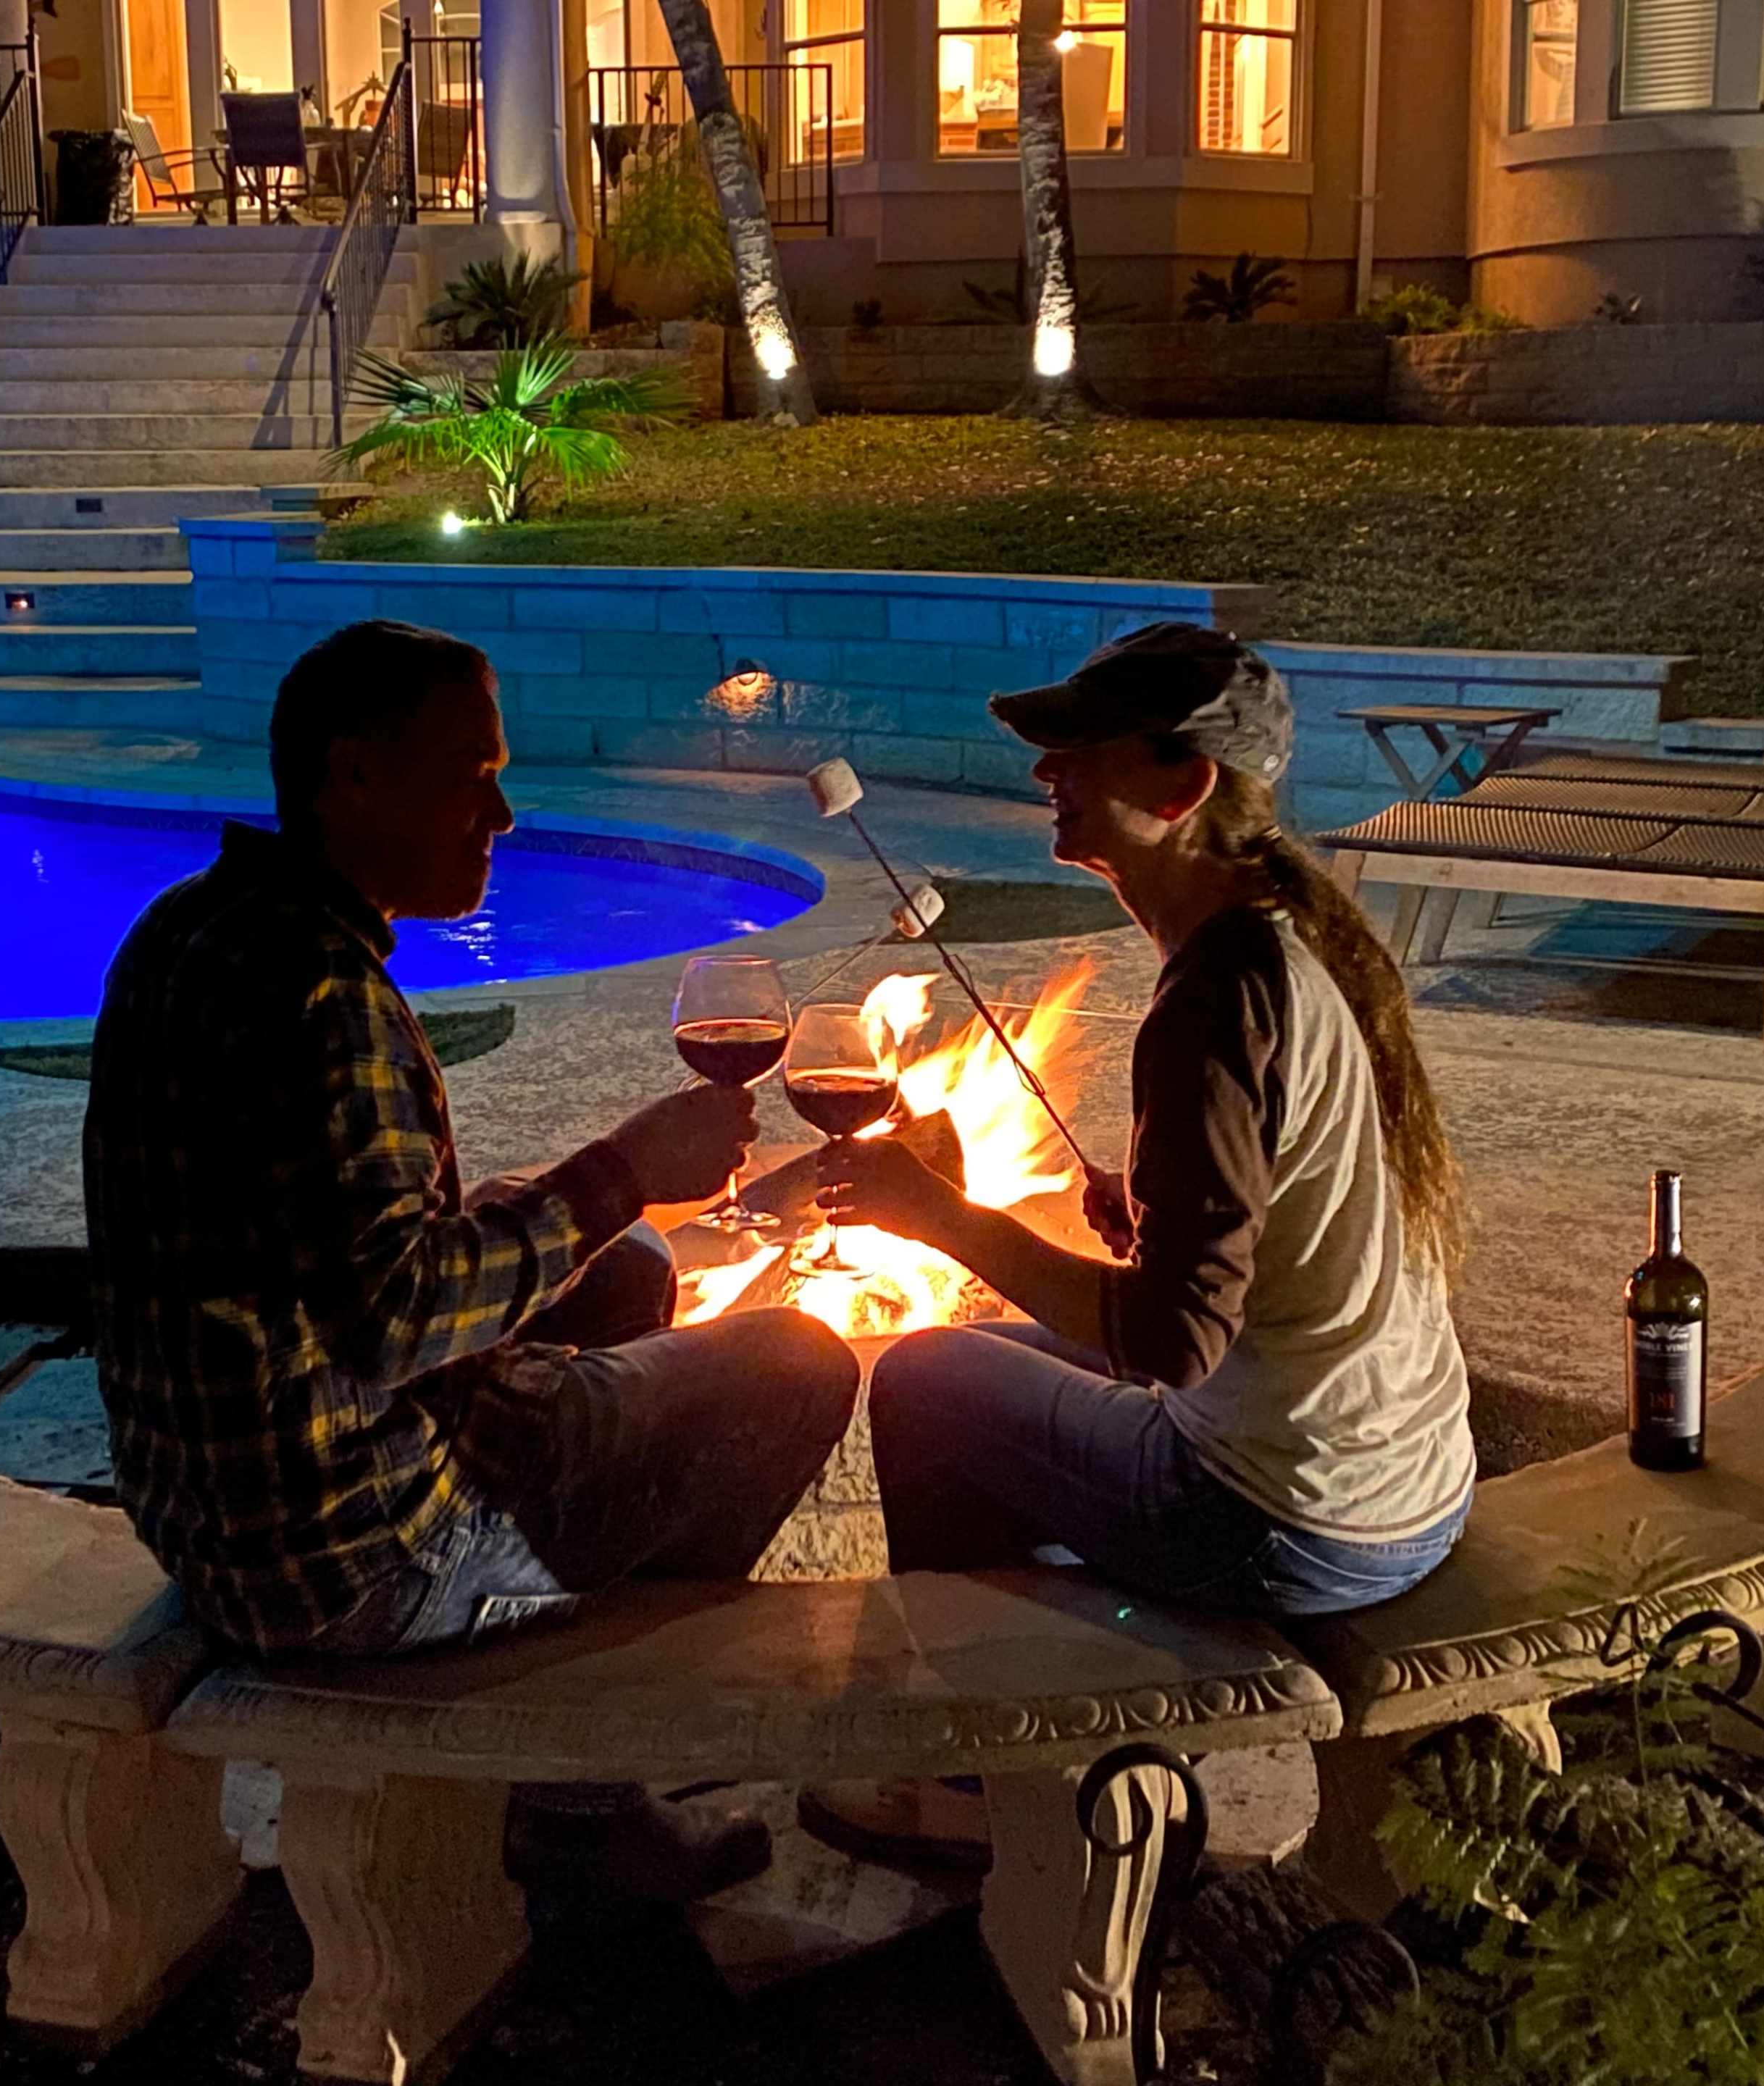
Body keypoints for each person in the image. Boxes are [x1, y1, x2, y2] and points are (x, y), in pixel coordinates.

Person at [84, 619, 860, 1903]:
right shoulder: (323, 997)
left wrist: (583, 1213)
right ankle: (581, 1783)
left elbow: (305, 1248)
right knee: (795, 1362)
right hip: (348, 1569)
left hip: (213, 1510)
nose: (500, 816)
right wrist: (623, 1168)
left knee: (627, 1277)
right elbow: (393, 1317)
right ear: (354, 776)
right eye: (473, 775)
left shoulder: (192, 930)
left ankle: (560, 1668)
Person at [803, 621, 1474, 1867]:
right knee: (1004, 1355)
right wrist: (1154, 1221)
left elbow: (1173, 1340)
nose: (1046, 773)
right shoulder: (1297, 933)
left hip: (1291, 1520)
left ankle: (980, 1777)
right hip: (1410, 1488)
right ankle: (1076, 1693)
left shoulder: (1219, 993)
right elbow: (1271, 1237)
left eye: (1076, 752)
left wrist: (944, 1218)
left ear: (1180, 788)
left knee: (926, 1380)